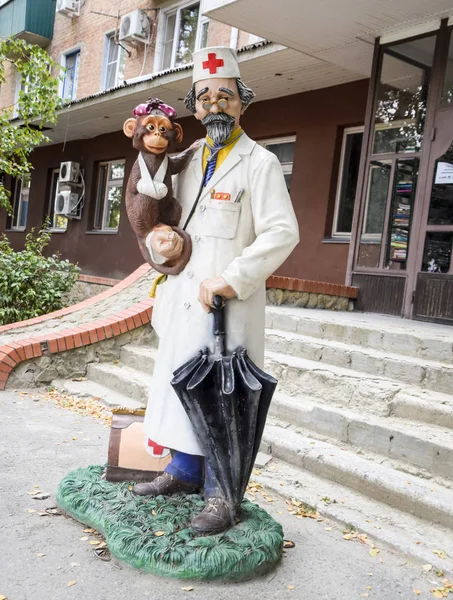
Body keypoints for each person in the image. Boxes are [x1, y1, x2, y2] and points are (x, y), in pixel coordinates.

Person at [133, 46, 299, 535]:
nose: (215, 106)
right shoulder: (186, 161)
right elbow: (169, 219)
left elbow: (282, 232)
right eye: (204, 99)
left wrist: (234, 277)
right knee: (180, 386)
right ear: (195, 107)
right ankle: (183, 472)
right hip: (182, 297)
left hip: (228, 307)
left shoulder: (260, 162)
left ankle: (221, 494)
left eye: (225, 97)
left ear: (243, 103)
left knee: (221, 398)